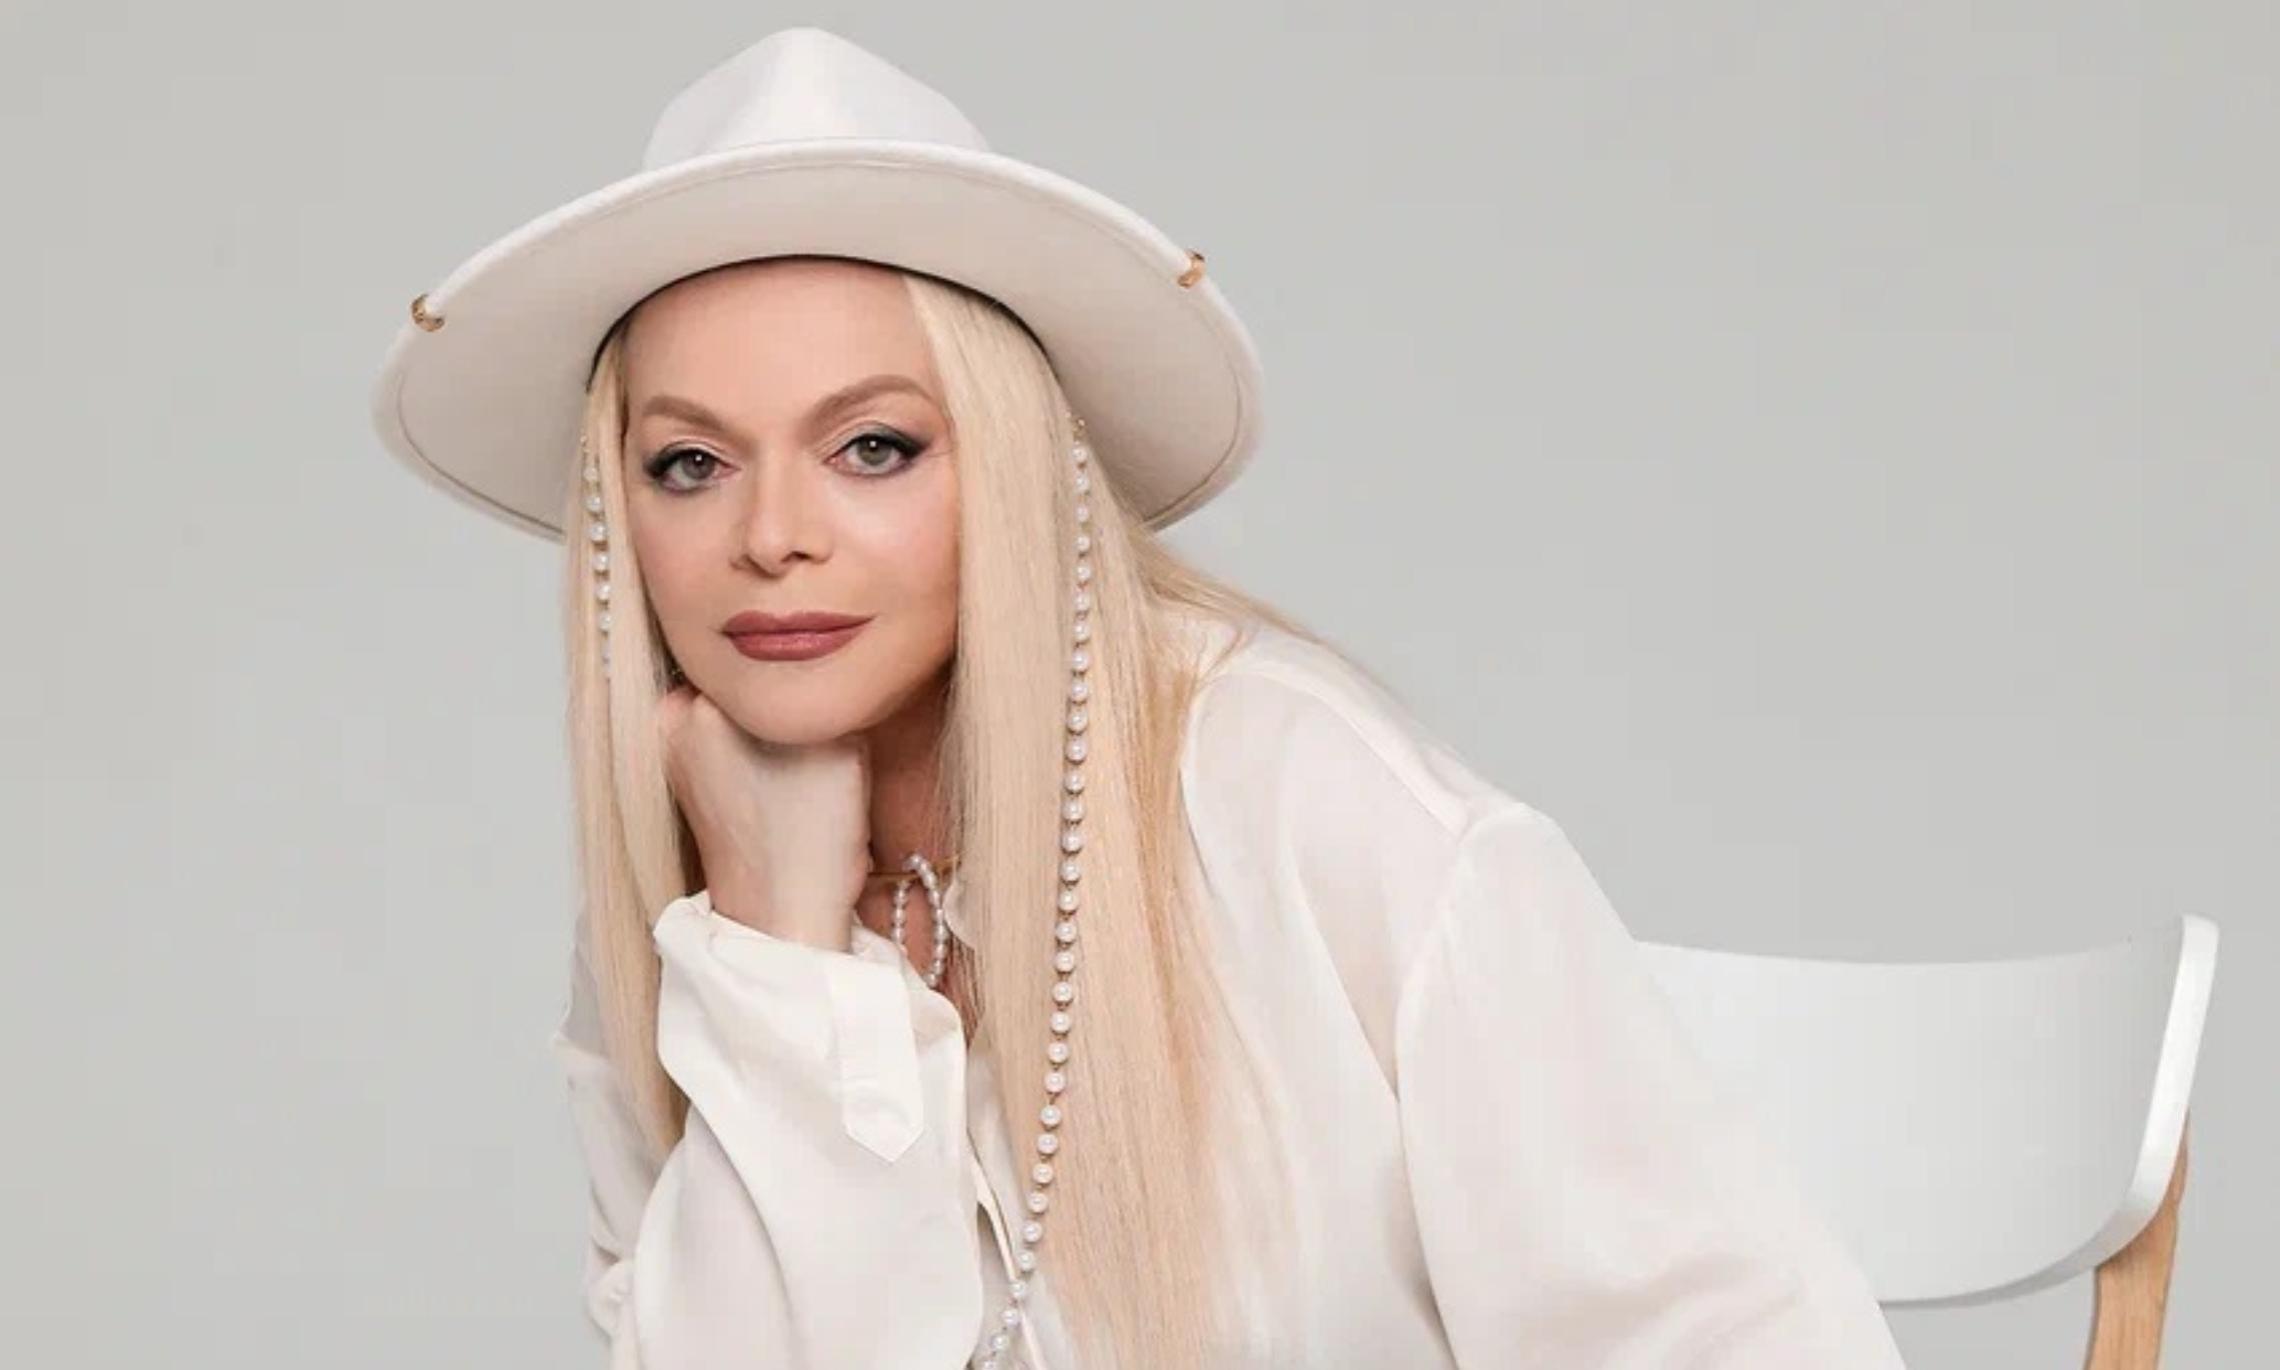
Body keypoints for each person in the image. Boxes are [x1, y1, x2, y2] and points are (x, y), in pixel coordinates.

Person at [368, 26, 1910, 1370]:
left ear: (1007, 461)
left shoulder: (1301, 805)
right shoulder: (686, 905)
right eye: (689, 462)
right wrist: (779, 953)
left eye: (873, 446)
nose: (771, 534)